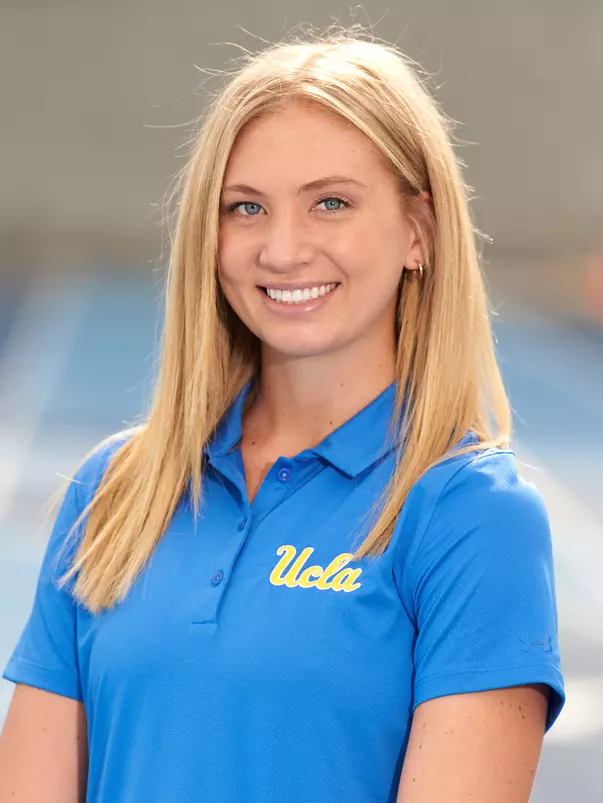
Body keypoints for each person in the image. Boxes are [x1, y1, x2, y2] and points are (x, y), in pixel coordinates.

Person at [0, 30, 565, 803]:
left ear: (418, 233)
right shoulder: (113, 493)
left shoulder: (469, 516)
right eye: (245, 208)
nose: (283, 247)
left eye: (330, 202)